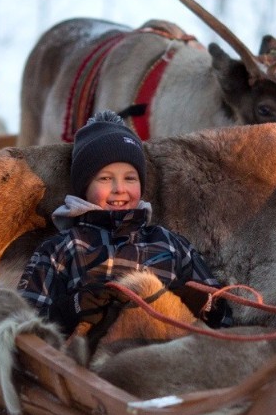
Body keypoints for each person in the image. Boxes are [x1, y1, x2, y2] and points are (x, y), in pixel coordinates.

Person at [17, 111, 230, 341]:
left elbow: (225, 320)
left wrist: (204, 303)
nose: (120, 188)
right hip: (92, 367)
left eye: (130, 178)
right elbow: (22, 325)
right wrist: (69, 310)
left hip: (169, 359)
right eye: (105, 178)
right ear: (84, 187)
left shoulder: (170, 244)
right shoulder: (61, 249)